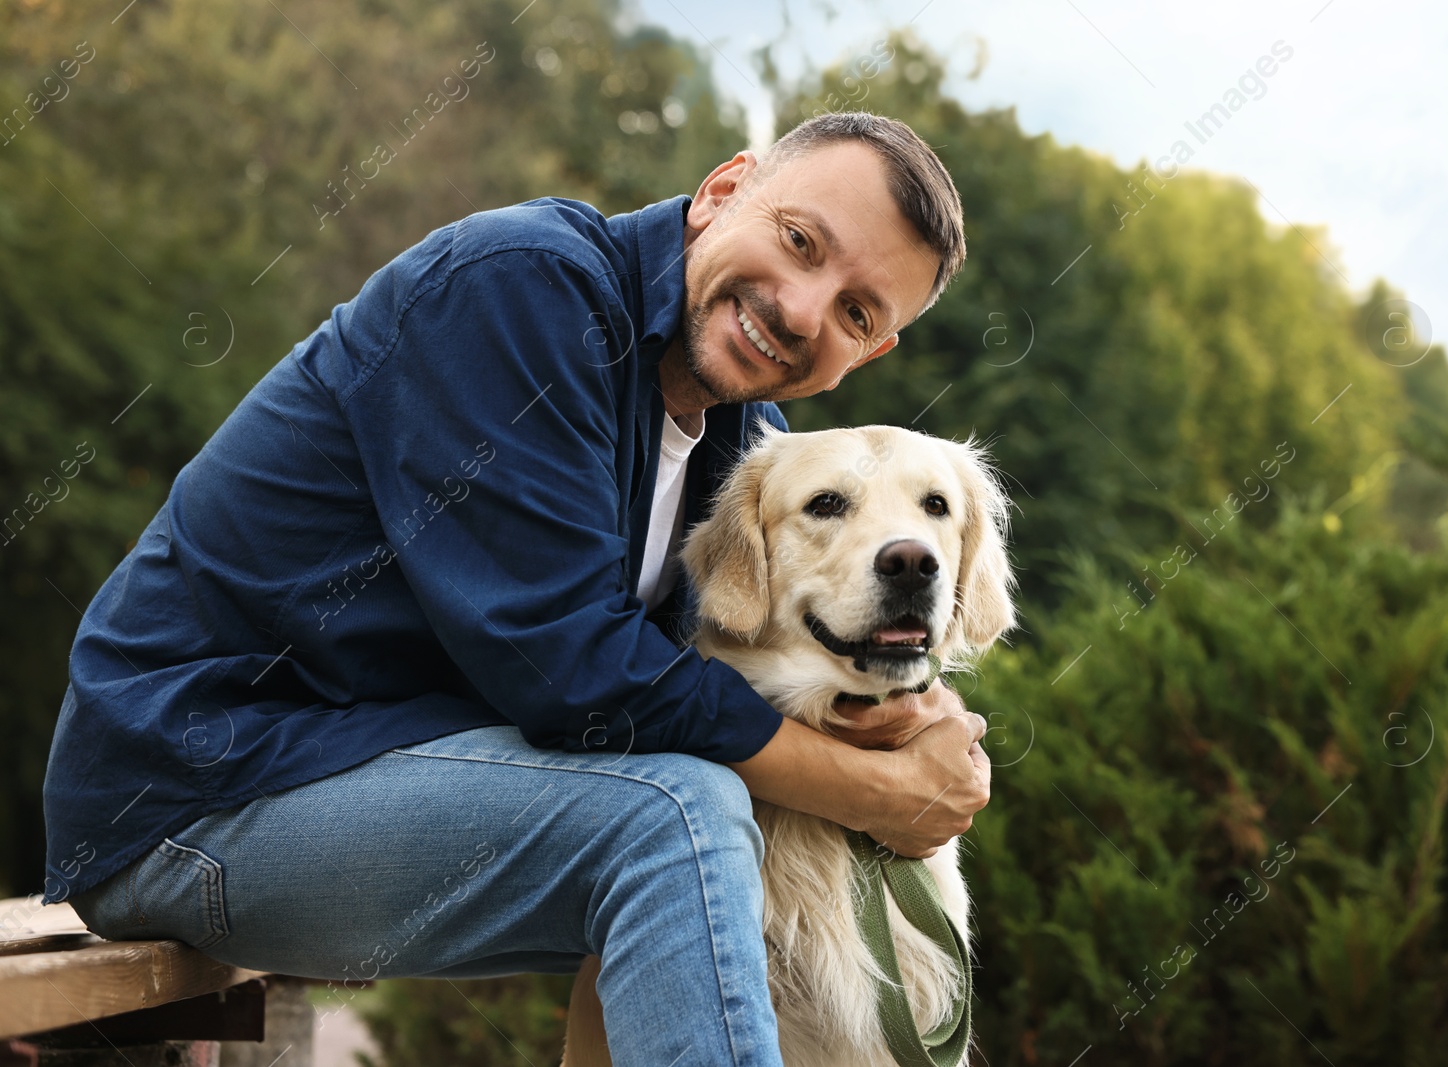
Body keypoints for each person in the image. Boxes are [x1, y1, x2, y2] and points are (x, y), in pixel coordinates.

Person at [41, 111, 990, 1066]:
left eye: (858, 312)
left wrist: (920, 730)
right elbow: (575, 671)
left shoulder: (737, 444)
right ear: (720, 192)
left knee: (731, 844)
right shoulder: (522, 288)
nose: (801, 308)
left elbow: (722, 682)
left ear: (868, 354)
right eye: (799, 241)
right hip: (191, 796)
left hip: (347, 782)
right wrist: (873, 789)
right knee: (676, 817)